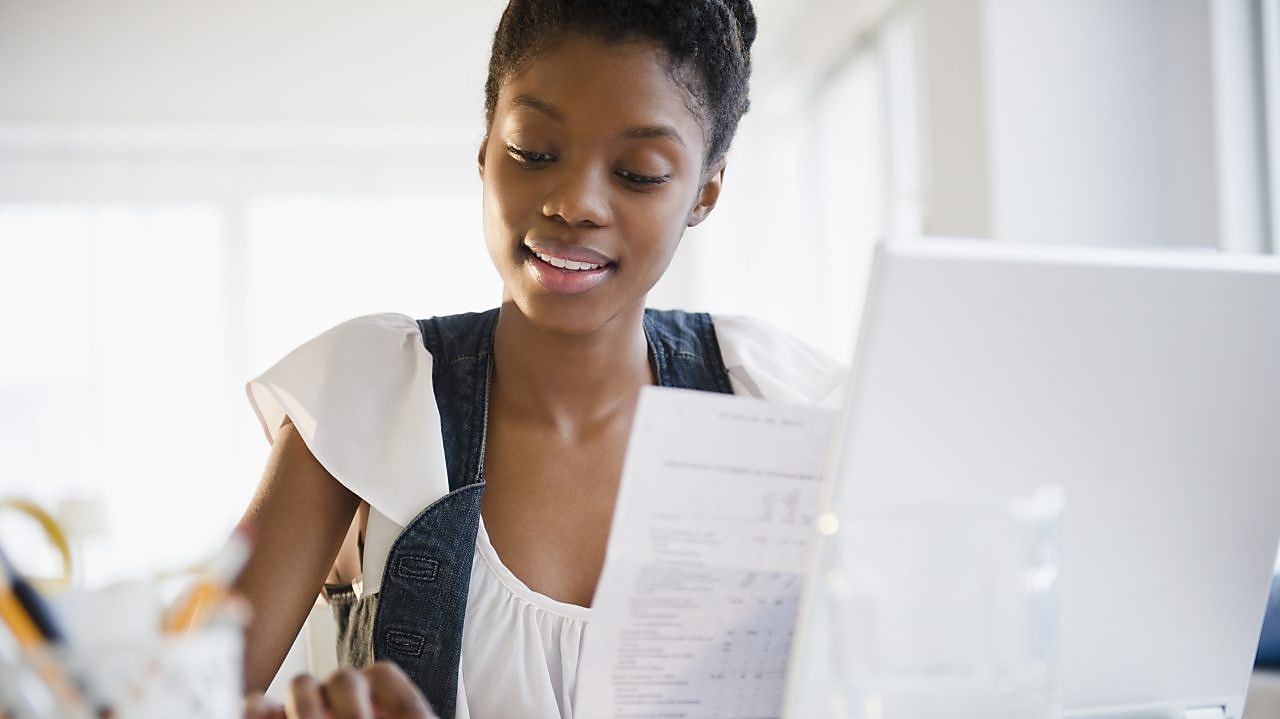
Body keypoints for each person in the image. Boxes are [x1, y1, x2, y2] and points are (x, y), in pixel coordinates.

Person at [233, 1, 845, 717]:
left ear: (705, 192)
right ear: (486, 148)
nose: (575, 202)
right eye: (532, 149)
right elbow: (166, 697)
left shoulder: (775, 406)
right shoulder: (365, 405)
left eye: (639, 172)